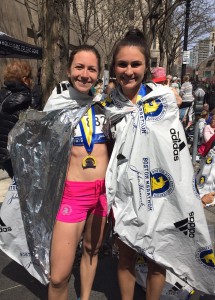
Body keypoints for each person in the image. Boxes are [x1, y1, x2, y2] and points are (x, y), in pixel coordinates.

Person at [106, 29, 168, 300]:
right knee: (126, 259)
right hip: (123, 197)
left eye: (135, 64)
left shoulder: (164, 101)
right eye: (122, 64)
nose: (128, 70)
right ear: (114, 68)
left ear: (146, 67)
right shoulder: (106, 107)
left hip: (159, 193)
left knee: (157, 260)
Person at [45, 45, 109, 300]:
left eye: (91, 68)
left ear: (99, 73)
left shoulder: (105, 105)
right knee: (58, 276)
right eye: (79, 67)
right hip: (71, 195)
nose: (85, 74)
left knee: (92, 251)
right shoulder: (57, 103)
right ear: (69, 70)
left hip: (102, 193)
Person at [0, 60, 34, 178]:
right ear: (25, 79)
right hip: (16, 155)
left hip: (3, 154)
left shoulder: (3, 94)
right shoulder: (24, 97)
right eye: (31, 78)